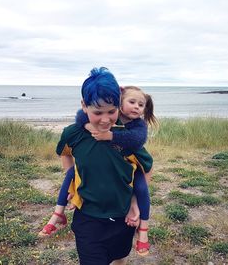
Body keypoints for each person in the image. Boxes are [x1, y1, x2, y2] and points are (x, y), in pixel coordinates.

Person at [43, 67, 152, 264]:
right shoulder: (73, 134)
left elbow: (147, 168)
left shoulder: (125, 137)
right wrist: (71, 177)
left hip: (123, 217)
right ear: (84, 106)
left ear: (118, 106)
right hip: (88, 218)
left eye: (112, 111)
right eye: (97, 112)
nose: (105, 119)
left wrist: (135, 202)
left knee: (120, 259)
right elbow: (65, 154)